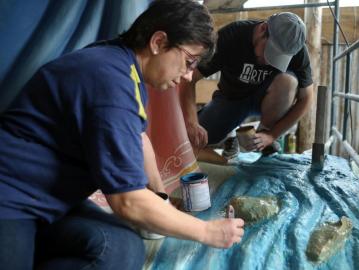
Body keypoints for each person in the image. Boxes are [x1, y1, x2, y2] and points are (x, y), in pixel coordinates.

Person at [0, 1, 244, 269]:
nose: (188, 76)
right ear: (159, 42)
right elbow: (128, 202)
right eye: (189, 62)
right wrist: (208, 232)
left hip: (53, 199)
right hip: (12, 198)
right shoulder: (110, 81)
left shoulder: (121, 65)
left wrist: (161, 197)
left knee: (121, 248)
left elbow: (139, 140)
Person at [179, 12, 314, 159]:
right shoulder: (232, 35)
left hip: (267, 99)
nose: (270, 62)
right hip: (231, 99)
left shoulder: (296, 50)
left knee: (289, 82)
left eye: (278, 58)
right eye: (270, 52)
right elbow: (189, 78)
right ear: (263, 29)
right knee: (197, 138)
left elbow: (306, 98)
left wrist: (271, 135)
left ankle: (265, 137)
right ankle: (230, 135)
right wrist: (191, 122)